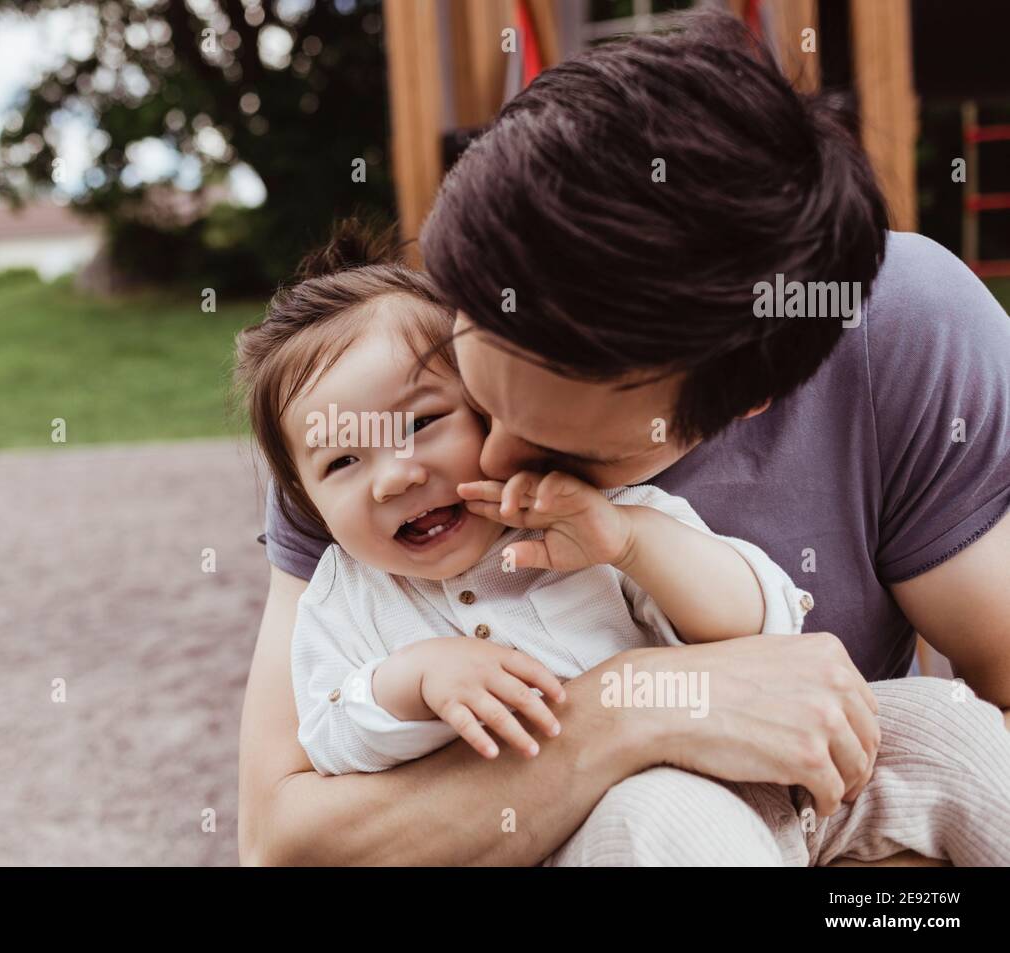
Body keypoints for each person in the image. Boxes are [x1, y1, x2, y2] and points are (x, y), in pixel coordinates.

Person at [236, 11, 1010, 866]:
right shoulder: (374, 405)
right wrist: (632, 709)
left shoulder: (904, 333)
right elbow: (286, 842)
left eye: (558, 446)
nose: (486, 467)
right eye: (483, 402)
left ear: (748, 399)